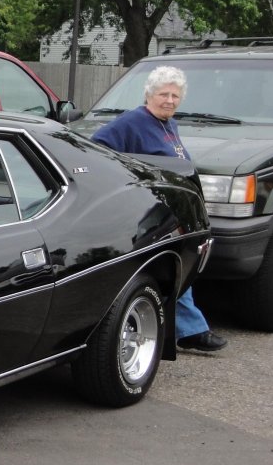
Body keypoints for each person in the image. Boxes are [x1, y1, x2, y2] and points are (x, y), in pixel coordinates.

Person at [92, 65, 226, 351]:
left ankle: (189, 329)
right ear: (149, 94)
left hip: (172, 210)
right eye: (164, 94)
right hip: (146, 211)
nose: (170, 100)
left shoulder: (170, 124)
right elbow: (96, 149)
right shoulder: (131, 122)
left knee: (181, 266)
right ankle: (191, 331)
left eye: (175, 96)